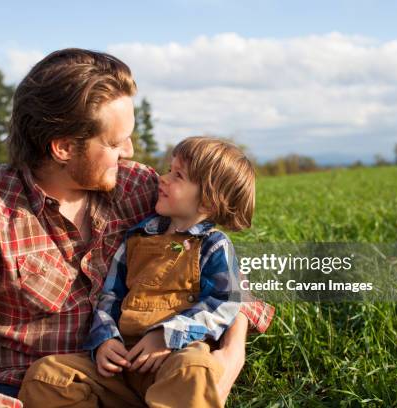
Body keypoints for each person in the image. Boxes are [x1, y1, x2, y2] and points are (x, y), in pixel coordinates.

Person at [0, 48, 274, 407]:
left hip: (147, 371)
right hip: (45, 387)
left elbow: (226, 274)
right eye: (114, 142)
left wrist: (232, 353)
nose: (129, 151)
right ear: (62, 147)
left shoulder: (138, 188)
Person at [19, 137, 259, 407]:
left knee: (194, 370)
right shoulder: (136, 238)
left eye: (178, 175)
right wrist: (105, 339)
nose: (163, 179)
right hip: (123, 363)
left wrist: (167, 335)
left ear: (207, 202)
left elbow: (226, 301)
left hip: (174, 358)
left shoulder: (213, 246)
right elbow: (110, 296)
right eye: (169, 169)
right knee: (47, 376)